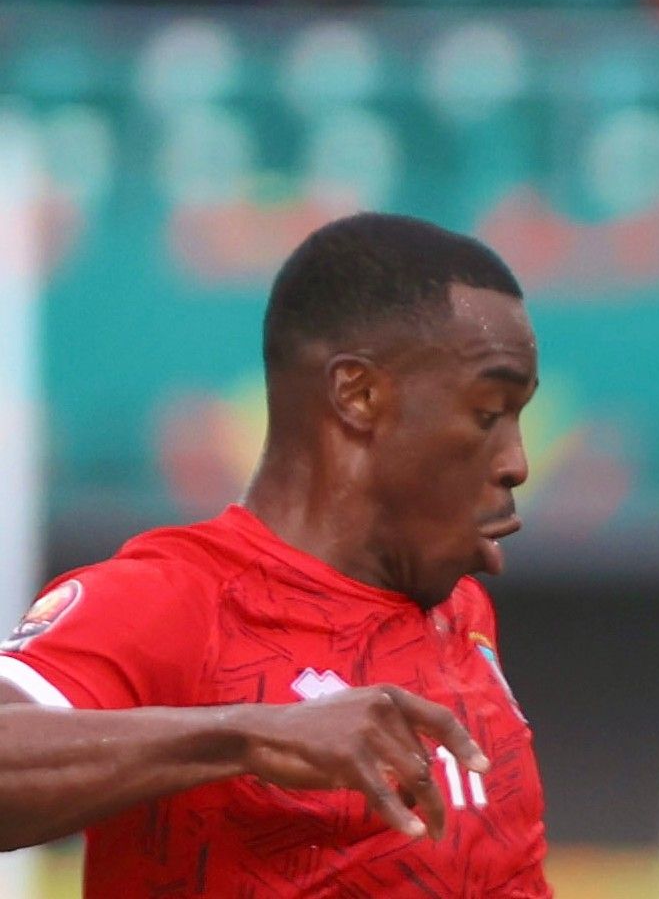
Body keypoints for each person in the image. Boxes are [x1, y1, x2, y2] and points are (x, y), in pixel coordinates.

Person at [0, 213, 551, 897]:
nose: (517, 463)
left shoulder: (459, 613)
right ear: (359, 396)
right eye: (489, 412)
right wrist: (244, 737)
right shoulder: (181, 599)